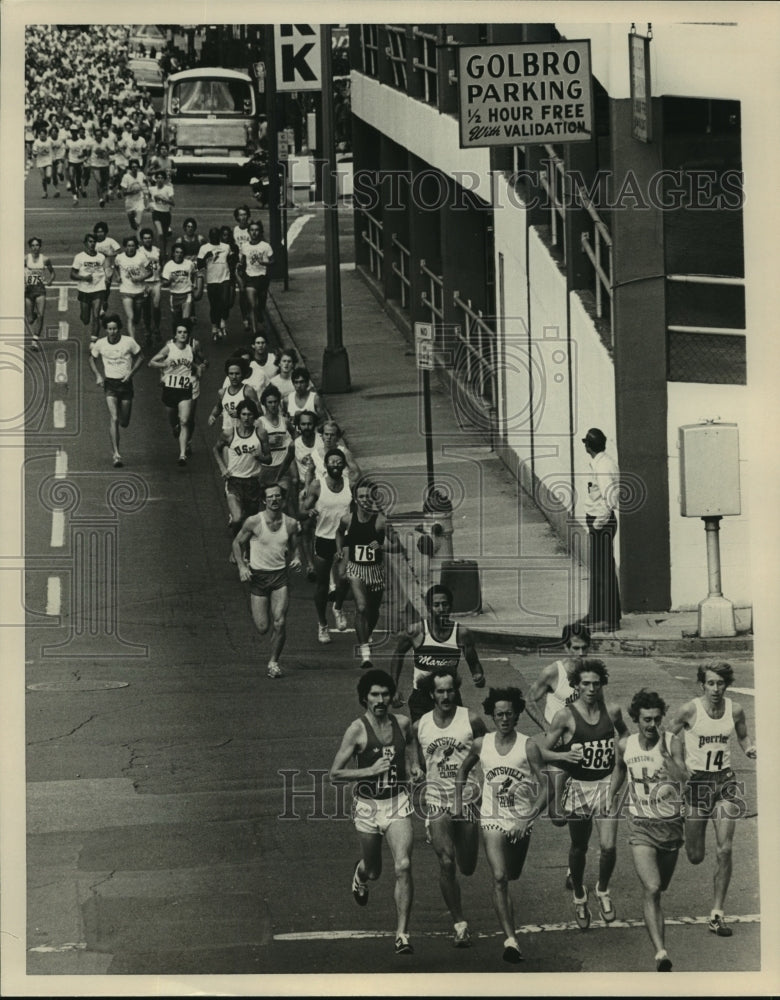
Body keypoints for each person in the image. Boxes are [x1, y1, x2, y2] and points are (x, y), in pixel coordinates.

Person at [329, 668, 422, 957]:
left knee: (403, 865)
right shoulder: (357, 730)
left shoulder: (403, 723)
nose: (380, 699)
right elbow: (335, 774)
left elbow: (409, 749)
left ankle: (402, 934)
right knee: (375, 870)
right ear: (365, 698)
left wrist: (413, 767)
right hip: (368, 807)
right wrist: (368, 770)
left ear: (391, 696)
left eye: (385, 694)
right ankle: (360, 875)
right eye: (374, 695)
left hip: (397, 802)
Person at [456, 686, 548, 964]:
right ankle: (511, 940)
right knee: (499, 877)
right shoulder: (481, 744)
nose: (504, 719)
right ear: (492, 716)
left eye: (509, 714)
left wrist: (526, 817)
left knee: (513, 873)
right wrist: (458, 799)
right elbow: (462, 769)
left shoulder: (528, 746)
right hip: (492, 818)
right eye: (499, 714)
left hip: (520, 820)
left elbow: (547, 787)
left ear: (517, 715)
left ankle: (509, 924)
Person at [668, 661, 757, 938]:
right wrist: (681, 765)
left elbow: (742, 736)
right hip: (697, 785)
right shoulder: (689, 709)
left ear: (726, 685)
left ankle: (717, 914)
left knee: (725, 849)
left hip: (725, 782)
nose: (716, 689)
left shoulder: (735, 709)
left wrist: (749, 748)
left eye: (720, 683)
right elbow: (669, 735)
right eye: (710, 683)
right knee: (695, 856)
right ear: (702, 685)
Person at [543, 658, 627, 930]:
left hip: (605, 783)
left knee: (609, 847)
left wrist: (623, 757)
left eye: (596, 683)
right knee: (579, 847)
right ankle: (580, 895)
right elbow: (543, 750)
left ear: (602, 684)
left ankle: (603, 890)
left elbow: (625, 736)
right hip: (579, 786)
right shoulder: (565, 716)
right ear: (576, 685)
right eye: (585, 684)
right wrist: (565, 754)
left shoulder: (612, 711)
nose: (591, 688)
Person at [609, 689, 689, 972]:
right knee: (652, 887)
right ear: (635, 719)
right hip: (640, 824)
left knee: (661, 886)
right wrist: (610, 796)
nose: (651, 725)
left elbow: (684, 780)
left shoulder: (673, 742)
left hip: (670, 826)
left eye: (656, 719)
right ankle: (661, 952)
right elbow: (619, 769)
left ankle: (659, 942)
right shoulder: (625, 744)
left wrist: (668, 758)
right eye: (646, 719)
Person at [415, 670, 486, 948]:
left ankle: (462, 846)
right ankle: (460, 923)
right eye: (440, 691)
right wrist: (414, 767)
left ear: (456, 691)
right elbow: (415, 753)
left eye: (450, 690)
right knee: (447, 862)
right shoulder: (420, 725)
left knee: (467, 866)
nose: (445, 696)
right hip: (437, 802)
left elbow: (488, 748)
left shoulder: (471, 720)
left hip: (467, 800)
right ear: (431, 694)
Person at [231, 480, 303, 678]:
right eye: (270, 496)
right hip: (258, 578)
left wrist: (296, 557)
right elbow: (237, 543)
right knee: (263, 627)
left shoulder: (289, 523)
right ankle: (270, 633)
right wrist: (242, 567)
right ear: (264, 500)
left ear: (282, 499)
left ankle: (273, 662)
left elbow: (296, 545)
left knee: (280, 622)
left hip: (280, 576)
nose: (274, 499)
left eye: (277, 496)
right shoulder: (254, 522)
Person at [391, 583, 486, 723]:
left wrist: (479, 677)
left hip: (450, 697)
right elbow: (398, 655)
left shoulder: (461, 634)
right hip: (421, 698)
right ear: (429, 608)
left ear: (451, 606)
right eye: (436, 605)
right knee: (424, 741)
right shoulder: (416, 631)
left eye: (445, 604)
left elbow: (474, 664)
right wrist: (394, 688)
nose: (441, 609)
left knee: (453, 741)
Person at [301, 448, 353, 644]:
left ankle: (338, 607)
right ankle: (322, 624)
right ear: (326, 465)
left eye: (339, 462)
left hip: (345, 537)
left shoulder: (350, 484)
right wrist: (310, 511)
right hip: (323, 538)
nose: (336, 465)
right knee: (322, 586)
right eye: (332, 462)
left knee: (344, 578)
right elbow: (303, 508)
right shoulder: (317, 485)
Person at [336, 480, 388, 668]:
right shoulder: (347, 519)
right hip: (356, 569)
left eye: (368, 496)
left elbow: (398, 546)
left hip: (375, 570)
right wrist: (340, 549)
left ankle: (366, 635)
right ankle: (365, 651)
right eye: (361, 497)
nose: (365, 500)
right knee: (362, 607)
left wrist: (382, 546)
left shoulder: (381, 521)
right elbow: (339, 533)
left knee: (373, 612)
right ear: (356, 500)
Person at [88, 312, 145, 467]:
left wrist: (131, 373)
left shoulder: (129, 342)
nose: (112, 332)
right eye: (109, 329)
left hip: (126, 384)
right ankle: (116, 454)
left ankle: (120, 417)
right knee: (114, 418)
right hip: (110, 385)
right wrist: (98, 375)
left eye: (115, 329)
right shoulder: (100, 343)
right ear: (106, 330)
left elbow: (141, 357)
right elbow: (91, 359)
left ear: (119, 329)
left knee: (124, 422)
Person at [148, 318, 206, 466]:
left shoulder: (191, 349)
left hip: (185, 388)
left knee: (185, 420)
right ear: (175, 334)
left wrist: (199, 369)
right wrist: (163, 364)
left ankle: (182, 455)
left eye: (185, 332)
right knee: (174, 421)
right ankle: (176, 428)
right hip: (170, 389)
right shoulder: (169, 348)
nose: (183, 335)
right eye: (180, 332)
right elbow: (151, 362)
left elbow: (195, 363)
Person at [579, 428, 621, 631]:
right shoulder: (603, 462)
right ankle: (597, 614)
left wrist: (598, 523)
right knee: (599, 569)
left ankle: (609, 618)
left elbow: (610, 499)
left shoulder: (603, 467)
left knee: (603, 571)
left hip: (601, 523)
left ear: (588, 446)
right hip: (600, 522)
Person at [213, 396, 271, 537]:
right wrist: (222, 467)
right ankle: (236, 547)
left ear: (254, 416)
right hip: (234, 481)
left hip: (253, 483)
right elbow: (216, 449)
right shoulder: (229, 434)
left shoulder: (261, 434)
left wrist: (259, 456)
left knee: (250, 522)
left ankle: (245, 549)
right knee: (238, 518)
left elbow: (268, 459)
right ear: (239, 415)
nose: (246, 418)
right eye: (243, 414)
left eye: (250, 414)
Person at [70, 232, 110, 344]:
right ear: (85, 243)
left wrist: (107, 276)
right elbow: (72, 274)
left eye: (94, 242)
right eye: (90, 242)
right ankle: (84, 315)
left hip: (98, 289)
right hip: (84, 290)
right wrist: (83, 278)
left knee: (96, 316)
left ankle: (93, 341)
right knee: (85, 319)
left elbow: (107, 269)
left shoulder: (101, 257)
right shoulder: (79, 257)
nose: (92, 244)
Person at [112, 234, 152, 340]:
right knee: (131, 317)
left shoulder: (141, 257)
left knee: (137, 318)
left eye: (133, 245)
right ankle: (132, 340)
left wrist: (140, 278)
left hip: (139, 291)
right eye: (128, 246)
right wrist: (118, 276)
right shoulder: (119, 257)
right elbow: (115, 267)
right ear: (125, 247)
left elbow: (151, 271)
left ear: (136, 246)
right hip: (126, 291)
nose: (130, 248)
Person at [208, 355, 261, 436]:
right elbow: (219, 406)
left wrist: (240, 414)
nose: (234, 377)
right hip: (228, 432)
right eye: (231, 374)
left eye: (237, 374)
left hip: (246, 433)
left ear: (242, 374)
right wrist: (213, 415)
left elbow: (259, 412)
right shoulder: (222, 392)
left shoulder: (248, 390)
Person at [238, 220, 274, 336]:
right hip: (249, 278)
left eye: (257, 230)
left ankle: (260, 317)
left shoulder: (265, 246)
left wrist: (265, 263)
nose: (254, 233)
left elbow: (273, 261)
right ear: (248, 232)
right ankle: (255, 332)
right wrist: (240, 268)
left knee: (261, 304)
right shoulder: (245, 246)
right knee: (252, 305)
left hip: (262, 278)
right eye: (252, 230)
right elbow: (243, 262)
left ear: (260, 232)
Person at [197, 227, 233, 341]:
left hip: (225, 278)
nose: (214, 237)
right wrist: (206, 256)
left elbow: (231, 259)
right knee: (214, 305)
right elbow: (199, 265)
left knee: (225, 301)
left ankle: (222, 321)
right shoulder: (204, 248)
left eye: (217, 235)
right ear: (209, 236)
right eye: (212, 235)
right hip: (212, 280)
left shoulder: (226, 246)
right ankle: (214, 328)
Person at [24, 237, 55, 350]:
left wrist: (50, 280)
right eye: (33, 245)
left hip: (40, 289)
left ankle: (35, 340)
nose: (35, 247)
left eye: (37, 245)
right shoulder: (26, 259)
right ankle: (34, 315)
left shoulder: (45, 259)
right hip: (28, 290)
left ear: (40, 246)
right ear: (30, 247)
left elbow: (52, 272)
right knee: (30, 319)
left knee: (41, 315)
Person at [161, 241, 197, 331]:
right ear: (173, 253)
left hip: (187, 294)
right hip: (174, 295)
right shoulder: (168, 266)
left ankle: (188, 340)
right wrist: (170, 280)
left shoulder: (189, 264)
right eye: (177, 252)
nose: (179, 254)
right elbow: (165, 283)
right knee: (176, 321)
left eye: (181, 252)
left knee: (185, 320)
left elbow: (194, 273)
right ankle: (176, 339)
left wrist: (194, 283)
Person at [139, 227, 163, 348]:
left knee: (157, 307)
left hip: (156, 282)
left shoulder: (157, 250)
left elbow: (161, 263)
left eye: (149, 238)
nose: (147, 240)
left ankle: (157, 328)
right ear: (142, 240)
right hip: (144, 284)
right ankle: (148, 330)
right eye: (145, 238)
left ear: (152, 239)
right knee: (146, 308)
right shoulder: (139, 251)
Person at [148, 170, 175, 257]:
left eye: (161, 178)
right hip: (156, 213)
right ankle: (160, 254)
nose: (159, 180)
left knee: (164, 236)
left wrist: (163, 199)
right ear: (155, 179)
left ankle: (163, 252)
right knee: (160, 233)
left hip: (166, 214)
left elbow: (173, 203)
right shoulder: (152, 189)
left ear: (164, 179)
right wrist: (150, 205)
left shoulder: (168, 189)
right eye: (158, 178)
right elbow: (149, 199)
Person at [120, 157, 149, 231]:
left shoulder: (141, 175)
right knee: (133, 225)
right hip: (130, 202)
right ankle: (134, 225)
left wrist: (147, 195)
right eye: (133, 167)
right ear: (130, 168)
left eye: (136, 167)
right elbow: (123, 193)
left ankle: (140, 240)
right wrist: (132, 192)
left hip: (140, 200)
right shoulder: (126, 177)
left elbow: (146, 185)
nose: (135, 168)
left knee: (138, 222)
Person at [32, 125, 56, 199]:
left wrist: (54, 157)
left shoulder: (50, 141)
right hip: (40, 161)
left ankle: (48, 179)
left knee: (48, 176)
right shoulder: (36, 142)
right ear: (39, 135)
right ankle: (45, 192)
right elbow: (34, 153)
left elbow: (54, 148)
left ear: (46, 134)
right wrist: (36, 153)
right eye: (40, 135)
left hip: (48, 160)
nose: (42, 136)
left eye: (43, 135)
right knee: (43, 178)